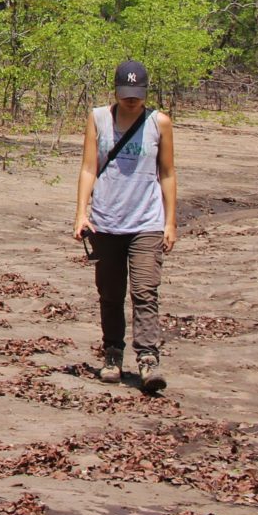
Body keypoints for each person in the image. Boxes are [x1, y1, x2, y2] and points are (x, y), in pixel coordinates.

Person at [72, 58, 178, 392]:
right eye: (125, 92)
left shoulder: (159, 122)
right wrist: (81, 212)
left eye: (137, 93)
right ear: (115, 90)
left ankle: (148, 358)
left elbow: (168, 173)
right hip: (106, 220)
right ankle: (112, 354)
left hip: (146, 221)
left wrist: (170, 221)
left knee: (145, 290)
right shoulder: (98, 118)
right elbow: (89, 168)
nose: (131, 99)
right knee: (110, 292)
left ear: (146, 91)